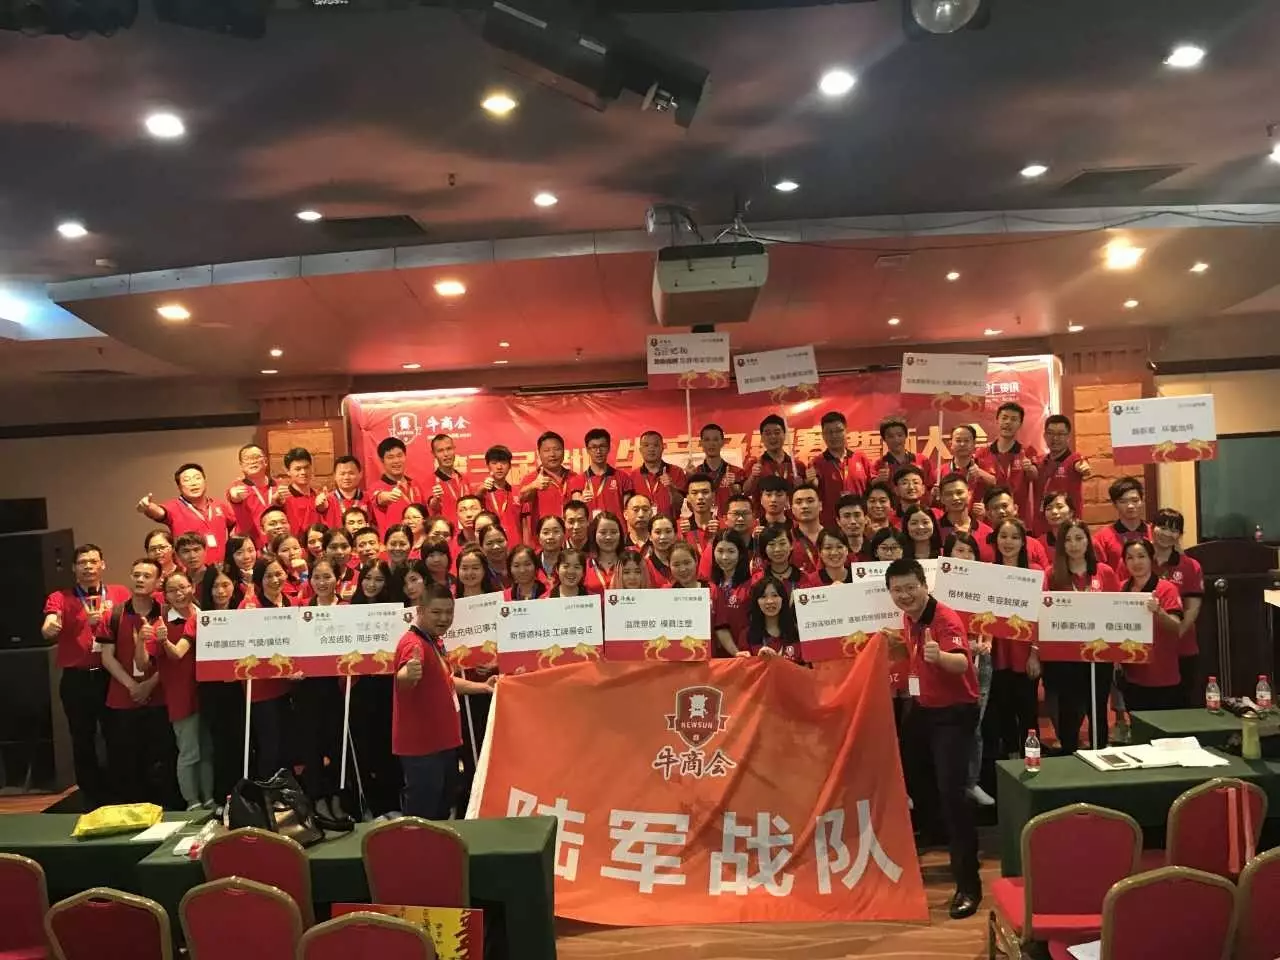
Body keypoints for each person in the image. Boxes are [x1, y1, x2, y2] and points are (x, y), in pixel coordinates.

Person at [885, 557, 981, 919]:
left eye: (911, 588)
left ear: (925, 586)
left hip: (954, 713)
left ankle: (969, 885)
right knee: (909, 770)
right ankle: (937, 831)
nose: (905, 595)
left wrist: (940, 656)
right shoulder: (909, 618)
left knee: (952, 794)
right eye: (897, 590)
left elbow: (961, 663)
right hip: (924, 708)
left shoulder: (945, 619)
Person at [394, 584, 496, 819]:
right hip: (422, 747)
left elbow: (445, 682)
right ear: (420, 610)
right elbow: (403, 679)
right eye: (436, 612)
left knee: (441, 809)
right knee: (422, 816)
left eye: (449, 612)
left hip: (443, 743)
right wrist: (408, 674)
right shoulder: (413, 644)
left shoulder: (434, 641)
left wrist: (483, 687)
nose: (444, 618)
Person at [41, 544, 131, 809]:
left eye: (93, 562)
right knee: (82, 738)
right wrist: (50, 627)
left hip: (111, 675)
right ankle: (91, 795)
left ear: (103, 565)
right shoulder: (61, 597)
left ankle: (120, 791)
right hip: (77, 680)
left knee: (117, 735)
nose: (88, 567)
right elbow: (49, 623)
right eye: (82, 563)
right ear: (74, 568)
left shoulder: (119, 593)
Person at [99, 558, 175, 806]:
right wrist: (133, 687)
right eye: (136, 575)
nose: (140, 580)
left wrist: (149, 684)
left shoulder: (168, 613)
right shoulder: (113, 614)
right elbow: (106, 657)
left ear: (158, 581)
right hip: (123, 700)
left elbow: (175, 659)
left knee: (162, 761)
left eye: (147, 576)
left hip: (161, 699)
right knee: (126, 765)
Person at [1044, 520, 1119, 755]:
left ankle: (1101, 754)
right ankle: (1068, 756)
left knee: (1098, 710)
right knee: (1069, 712)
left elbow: (1117, 609)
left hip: (1099, 655)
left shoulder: (1104, 572)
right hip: (1067, 657)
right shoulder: (1052, 575)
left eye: (1079, 538)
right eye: (1068, 540)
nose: (1074, 545)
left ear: (1088, 541)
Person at [148, 572, 213, 810]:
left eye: (183, 587)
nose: (179, 594)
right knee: (189, 751)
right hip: (181, 695)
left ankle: (208, 798)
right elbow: (165, 657)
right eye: (172, 590)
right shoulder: (161, 623)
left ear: (192, 587)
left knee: (207, 750)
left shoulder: (206, 616)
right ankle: (192, 802)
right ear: (165, 596)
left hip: (207, 692)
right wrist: (162, 641)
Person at [294, 556, 348, 822]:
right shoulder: (301, 610)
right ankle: (316, 799)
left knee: (337, 745)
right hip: (309, 688)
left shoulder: (348, 609)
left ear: (338, 578)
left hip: (339, 689)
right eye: (317, 577)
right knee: (311, 746)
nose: (322, 582)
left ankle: (338, 796)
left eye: (327, 577)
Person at [943, 531, 994, 807]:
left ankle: (972, 782)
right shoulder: (937, 587)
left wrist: (986, 643)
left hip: (980, 663)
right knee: (949, 728)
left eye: (969, 551)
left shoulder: (985, 585)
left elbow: (993, 622)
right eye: (958, 551)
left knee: (975, 726)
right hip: (947, 662)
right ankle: (950, 785)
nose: (964, 556)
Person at [986, 518, 1043, 764]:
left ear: (1023, 542)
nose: (1008, 542)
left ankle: (1033, 758)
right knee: (1004, 708)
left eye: (1014, 537)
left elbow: (1041, 615)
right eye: (1003, 536)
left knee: (1028, 710)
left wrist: (1035, 653)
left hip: (1026, 651)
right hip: (997, 650)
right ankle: (1010, 757)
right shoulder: (988, 572)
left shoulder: (1035, 572)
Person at [350, 558, 401, 817]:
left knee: (387, 745)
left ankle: (393, 803)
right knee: (365, 746)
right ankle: (373, 804)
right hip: (359, 688)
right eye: (367, 578)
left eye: (379, 579)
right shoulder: (349, 610)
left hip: (388, 687)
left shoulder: (395, 611)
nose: (372, 584)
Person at [237, 557, 295, 779]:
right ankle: (267, 792)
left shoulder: (292, 602)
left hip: (288, 685)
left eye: (279, 573)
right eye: (268, 575)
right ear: (259, 580)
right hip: (260, 689)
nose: (275, 579)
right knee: (269, 745)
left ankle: (286, 791)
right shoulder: (249, 606)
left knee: (286, 744)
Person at [197, 567, 246, 807]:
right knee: (220, 746)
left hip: (240, 689)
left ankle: (243, 796)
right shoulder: (201, 618)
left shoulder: (244, 615)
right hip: (213, 691)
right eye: (215, 586)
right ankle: (223, 799)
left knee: (242, 743)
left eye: (225, 585)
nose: (220, 591)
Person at [1120, 539, 1185, 711]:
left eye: (1141, 556)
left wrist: (1159, 611)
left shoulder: (1166, 588)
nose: (1136, 562)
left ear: (1151, 558)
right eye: (1130, 558)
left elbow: (1176, 627)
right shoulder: (1121, 589)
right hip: (1132, 676)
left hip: (1163, 676)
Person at [1151, 509, 1205, 706]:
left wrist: (1178, 631)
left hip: (1181, 648)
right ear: (1152, 528)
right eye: (1162, 527)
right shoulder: (1138, 559)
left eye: (1174, 530)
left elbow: (1192, 608)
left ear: (1180, 535)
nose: (1167, 534)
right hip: (1147, 648)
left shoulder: (1190, 566)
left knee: (1181, 704)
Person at [136, 462, 235, 564]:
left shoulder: (220, 505)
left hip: (221, 568)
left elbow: (236, 525)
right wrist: (148, 507)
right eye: (187, 480)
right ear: (179, 487)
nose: (193, 483)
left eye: (197, 478)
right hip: (188, 569)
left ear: (205, 482)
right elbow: (159, 512)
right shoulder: (174, 507)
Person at [974, 402, 1040, 520]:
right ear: (997, 421)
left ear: (1020, 424)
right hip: (990, 517)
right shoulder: (982, 453)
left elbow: (1035, 475)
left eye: (1013, 419)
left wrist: (1030, 468)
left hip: (1018, 517)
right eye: (1004, 418)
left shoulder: (1027, 451)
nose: (1008, 422)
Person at [810, 411, 873, 526]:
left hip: (859, 522)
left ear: (846, 431)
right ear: (823, 435)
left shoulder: (860, 458)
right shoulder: (816, 463)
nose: (834, 436)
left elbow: (872, 487)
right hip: (830, 524)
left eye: (839, 431)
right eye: (829, 432)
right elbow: (813, 490)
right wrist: (811, 483)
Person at [1037, 415, 1091, 534]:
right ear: (1044, 436)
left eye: (1061, 434)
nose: (1055, 438)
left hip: (1069, 529)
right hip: (1043, 527)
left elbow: (1081, 464)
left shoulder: (1074, 459)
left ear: (1068, 437)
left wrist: (1084, 468)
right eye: (1050, 433)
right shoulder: (1041, 462)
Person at [1093, 476, 1154, 577]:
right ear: (1115, 504)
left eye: (1135, 500)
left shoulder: (1154, 533)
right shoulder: (1102, 538)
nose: (1130, 506)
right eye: (1123, 502)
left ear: (1142, 501)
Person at [743, 414, 804, 511]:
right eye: (768, 433)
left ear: (784, 435)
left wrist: (801, 486)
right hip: (763, 517)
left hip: (792, 516)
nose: (773, 437)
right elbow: (746, 492)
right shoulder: (754, 464)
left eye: (777, 432)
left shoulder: (798, 465)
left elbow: (805, 494)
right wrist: (753, 477)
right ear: (762, 438)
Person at [569, 428, 634, 518]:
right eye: (594, 447)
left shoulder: (622, 477)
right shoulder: (578, 480)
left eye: (602, 446)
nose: (598, 451)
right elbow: (576, 511)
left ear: (609, 448)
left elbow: (628, 511)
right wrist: (581, 501)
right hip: (590, 527)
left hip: (616, 527)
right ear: (587, 450)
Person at [521, 431, 574, 539]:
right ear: (539, 454)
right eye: (547, 450)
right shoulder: (531, 479)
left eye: (557, 449)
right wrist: (533, 486)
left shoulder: (574, 477)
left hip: (571, 538)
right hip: (545, 539)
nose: (552, 454)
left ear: (564, 451)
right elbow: (521, 499)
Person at [982, 486, 1050, 568]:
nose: (1001, 511)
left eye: (1004, 506)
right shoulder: (982, 545)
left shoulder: (1035, 545)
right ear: (988, 514)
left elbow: (1045, 573)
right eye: (995, 508)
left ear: (1015, 509)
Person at [227, 443, 284, 541]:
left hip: (277, 542)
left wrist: (279, 501)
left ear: (265, 461)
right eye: (247, 458)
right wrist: (235, 496)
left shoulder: (279, 485)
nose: (252, 461)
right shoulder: (236, 486)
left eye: (256, 457)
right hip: (250, 544)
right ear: (241, 465)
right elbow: (234, 497)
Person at [708, 530, 752, 657]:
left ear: (740, 553)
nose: (725, 557)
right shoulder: (708, 585)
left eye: (731, 551)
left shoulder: (751, 585)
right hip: (715, 656)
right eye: (720, 551)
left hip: (745, 654)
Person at [628, 430, 686, 521]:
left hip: (669, 526)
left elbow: (682, 505)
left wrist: (671, 488)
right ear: (640, 450)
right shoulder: (633, 476)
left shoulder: (677, 472)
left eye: (655, 445)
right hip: (643, 526)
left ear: (662, 448)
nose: (651, 449)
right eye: (646, 445)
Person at [690, 423, 745, 518]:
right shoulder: (695, 473)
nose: (711, 444)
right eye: (707, 440)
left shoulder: (736, 471)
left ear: (722, 442)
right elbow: (690, 504)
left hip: (730, 522)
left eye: (715, 439)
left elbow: (740, 499)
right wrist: (690, 478)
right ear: (701, 443)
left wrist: (732, 486)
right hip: (704, 522)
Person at [371, 437, 424, 532]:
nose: (396, 461)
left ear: (405, 456)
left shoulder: (415, 485)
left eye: (399, 456)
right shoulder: (375, 488)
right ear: (382, 460)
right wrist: (385, 497)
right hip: (394, 540)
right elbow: (379, 498)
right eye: (390, 457)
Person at [874, 416, 935, 496]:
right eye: (891, 436)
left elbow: (931, 486)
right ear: (884, 439)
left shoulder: (922, 460)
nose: (896, 440)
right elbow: (872, 489)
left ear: (906, 436)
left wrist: (935, 490)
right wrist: (878, 480)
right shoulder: (879, 464)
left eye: (900, 435)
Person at [745, 576, 801, 662]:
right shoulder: (747, 635)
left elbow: (807, 667)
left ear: (783, 599)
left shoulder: (798, 633)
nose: (770, 601)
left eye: (775, 595)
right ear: (756, 602)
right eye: (763, 596)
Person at [936, 472, 992, 546]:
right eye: (949, 494)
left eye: (959, 493)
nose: (955, 498)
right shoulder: (933, 530)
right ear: (941, 498)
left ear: (969, 494)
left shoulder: (987, 533)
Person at [480, 445, 523, 541]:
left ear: (510, 466)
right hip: (491, 544)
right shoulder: (482, 493)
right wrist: (481, 490)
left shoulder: (517, 493)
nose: (499, 467)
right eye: (494, 463)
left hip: (515, 545)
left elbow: (525, 525)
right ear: (488, 466)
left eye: (503, 463)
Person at [428, 433, 470, 525]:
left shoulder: (463, 478)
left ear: (454, 449)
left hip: (467, 530)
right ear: (434, 454)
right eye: (440, 451)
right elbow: (432, 506)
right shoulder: (430, 481)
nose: (446, 454)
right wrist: (436, 499)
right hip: (445, 531)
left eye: (449, 449)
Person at [940, 425, 988, 505]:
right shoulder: (941, 471)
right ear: (950, 444)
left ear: (974, 443)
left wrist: (983, 475)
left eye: (966, 440)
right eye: (958, 440)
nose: (962, 444)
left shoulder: (986, 468)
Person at [281, 447, 324, 536]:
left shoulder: (319, 497)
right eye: (298, 469)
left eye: (306, 467)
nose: (303, 472)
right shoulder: (283, 499)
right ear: (288, 471)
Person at [318, 454, 368, 527]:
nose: (346, 477)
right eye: (342, 474)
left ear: (360, 474)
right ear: (335, 476)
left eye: (351, 473)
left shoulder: (368, 498)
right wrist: (321, 506)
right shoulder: (328, 500)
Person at [584, 511, 625, 593]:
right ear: (594, 534)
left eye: (613, 532)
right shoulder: (585, 565)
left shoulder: (630, 562)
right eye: (603, 532)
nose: (608, 537)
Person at [755, 523, 803, 592]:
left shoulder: (805, 578)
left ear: (791, 545)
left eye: (782, 543)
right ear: (764, 548)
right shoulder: (757, 580)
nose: (777, 549)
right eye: (771, 544)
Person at [788, 483, 823, 575]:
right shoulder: (787, 540)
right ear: (792, 509)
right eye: (798, 502)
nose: (804, 506)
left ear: (820, 505)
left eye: (810, 501)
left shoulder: (834, 537)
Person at [681, 474, 720, 554]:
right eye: (694, 493)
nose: (700, 497)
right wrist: (683, 536)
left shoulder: (724, 526)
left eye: (705, 492)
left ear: (713, 496)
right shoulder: (679, 527)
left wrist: (718, 535)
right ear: (688, 498)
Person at [323, 527, 359, 601]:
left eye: (344, 547)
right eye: (333, 547)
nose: (339, 552)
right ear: (324, 551)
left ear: (352, 550)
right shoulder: (315, 578)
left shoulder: (359, 578)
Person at [174, 532, 213, 597]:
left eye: (196, 550)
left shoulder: (216, 577)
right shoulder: (177, 581)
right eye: (186, 551)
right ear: (178, 555)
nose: (192, 556)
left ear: (205, 551)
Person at [645, 516, 678, 586]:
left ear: (675, 535)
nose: (663, 537)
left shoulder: (684, 562)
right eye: (658, 532)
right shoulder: (644, 566)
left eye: (668, 531)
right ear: (649, 536)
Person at [535, 515, 566, 585]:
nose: (551, 536)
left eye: (556, 531)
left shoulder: (572, 560)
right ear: (538, 537)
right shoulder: (532, 562)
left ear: (564, 535)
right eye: (546, 532)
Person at [836, 494, 869, 560]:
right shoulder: (834, 552)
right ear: (838, 521)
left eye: (857, 515)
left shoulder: (876, 548)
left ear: (866, 518)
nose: (852, 521)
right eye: (847, 516)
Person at [480, 523, 511, 587]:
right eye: (489, 543)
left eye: (500, 541)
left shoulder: (519, 566)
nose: (496, 547)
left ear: (507, 542)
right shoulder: (480, 573)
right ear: (481, 548)